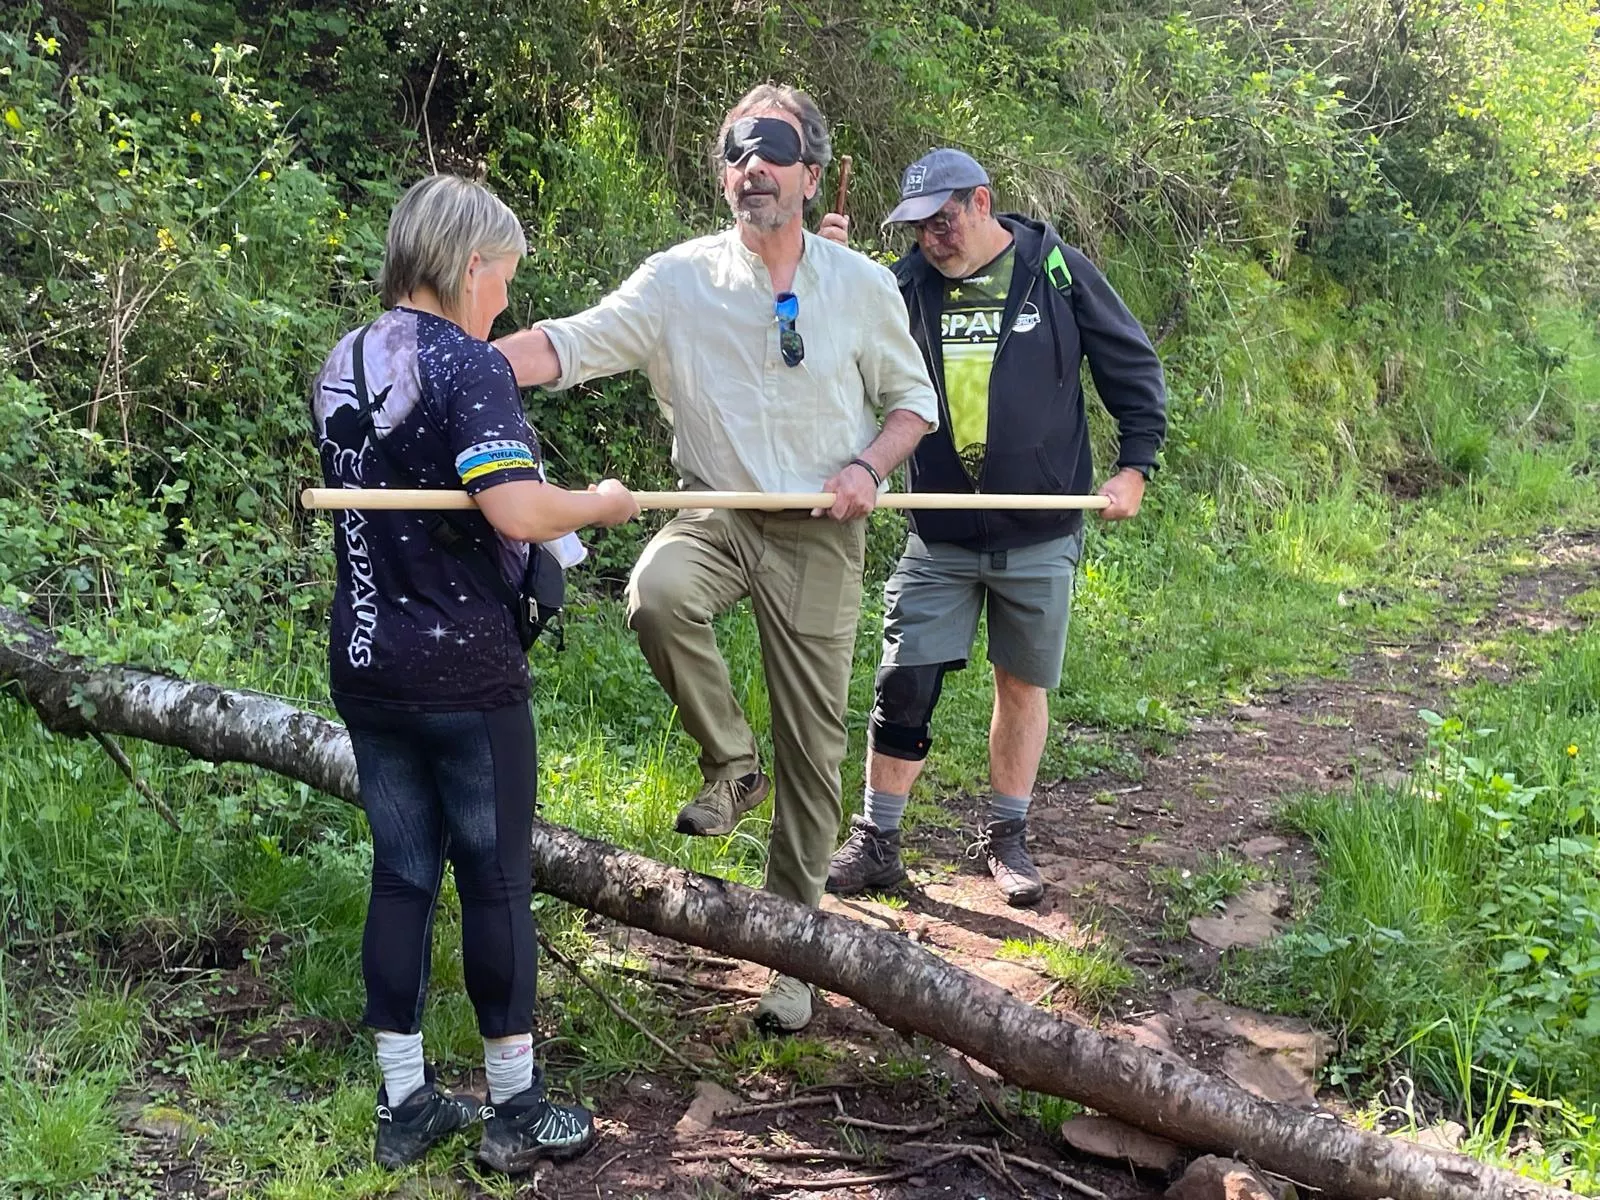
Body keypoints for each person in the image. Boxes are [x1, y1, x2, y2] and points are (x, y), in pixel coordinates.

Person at [495, 85, 939, 1031]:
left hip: (822, 529)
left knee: (817, 755)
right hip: (715, 512)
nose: (751, 169)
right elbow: (571, 343)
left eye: (772, 151)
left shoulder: (861, 286)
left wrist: (868, 465)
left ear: (811, 175)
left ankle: (791, 951)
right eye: (736, 153)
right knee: (656, 590)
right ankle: (731, 764)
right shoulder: (678, 280)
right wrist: (464, 360)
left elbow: (913, 404)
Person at [310, 174, 638, 1172]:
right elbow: (514, 511)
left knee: (402, 875)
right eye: (502, 277)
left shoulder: (342, 358)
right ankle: (513, 1106)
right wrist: (600, 504)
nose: (503, 300)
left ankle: (405, 1102)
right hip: (462, 675)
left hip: (365, 664)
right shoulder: (468, 364)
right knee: (493, 879)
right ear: (466, 265)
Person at [820, 148, 1167, 907]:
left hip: (1040, 530)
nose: (931, 240)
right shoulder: (901, 285)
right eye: (916, 228)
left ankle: (1007, 839)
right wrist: (827, 275)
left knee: (1021, 683)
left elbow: (1131, 367)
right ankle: (878, 842)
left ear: (981, 203)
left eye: (943, 222)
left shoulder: (1056, 271)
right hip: (938, 534)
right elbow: (821, 360)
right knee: (904, 681)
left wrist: (1133, 467)